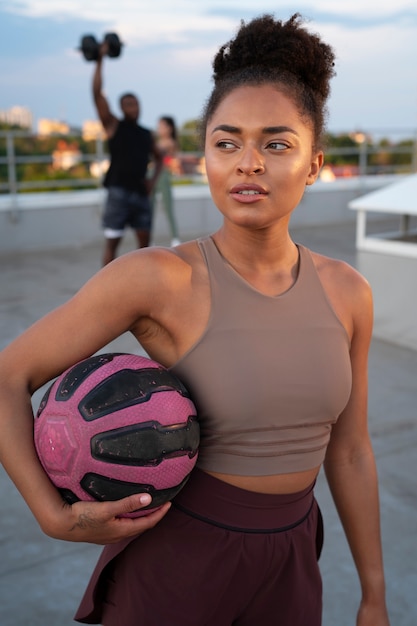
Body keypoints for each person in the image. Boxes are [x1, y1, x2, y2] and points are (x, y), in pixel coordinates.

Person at [0, 13, 390, 626]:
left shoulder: (349, 293)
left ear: (315, 163)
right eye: (227, 142)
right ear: (203, 156)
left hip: (290, 563)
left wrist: (373, 596)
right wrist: (51, 514)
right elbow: (8, 374)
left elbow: (351, 451)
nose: (248, 163)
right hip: (176, 564)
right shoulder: (159, 277)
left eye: (277, 144)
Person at [93, 40, 163, 265]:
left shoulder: (146, 133)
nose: (133, 107)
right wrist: (100, 58)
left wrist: (152, 180)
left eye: (135, 104)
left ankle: (142, 291)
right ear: (122, 108)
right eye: (128, 104)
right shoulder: (114, 126)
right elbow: (96, 94)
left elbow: (160, 157)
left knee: (144, 249)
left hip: (141, 194)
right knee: (111, 246)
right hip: (118, 193)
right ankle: (106, 290)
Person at [152, 115, 181, 246]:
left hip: (162, 175)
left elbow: (171, 160)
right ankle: (148, 237)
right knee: (149, 208)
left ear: (169, 128)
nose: (159, 129)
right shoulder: (157, 142)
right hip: (151, 175)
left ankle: (175, 237)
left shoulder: (170, 143)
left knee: (168, 207)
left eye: (162, 126)